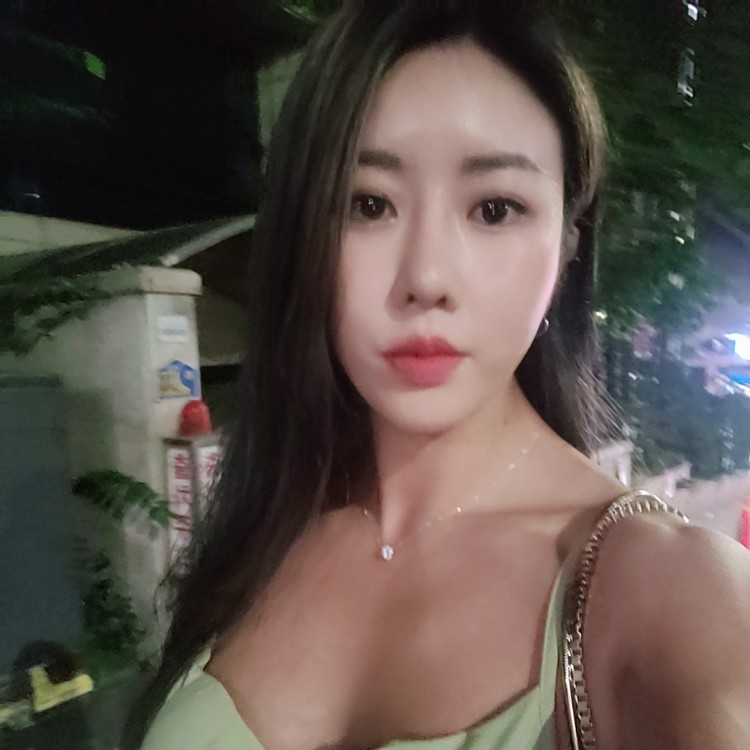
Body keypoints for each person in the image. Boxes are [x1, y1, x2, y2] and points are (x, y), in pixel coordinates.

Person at [125, 2, 750, 748]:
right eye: (367, 204)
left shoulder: (666, 588)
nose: (425, 278)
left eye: (494, 209)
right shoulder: (267, 523)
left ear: (567, 247)